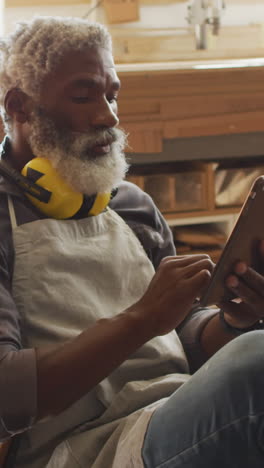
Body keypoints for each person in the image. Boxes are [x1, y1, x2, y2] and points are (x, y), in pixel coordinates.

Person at [0, 15, 263, 468]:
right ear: (20, 107)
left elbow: (182, 337)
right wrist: (143, 318)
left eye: (112, 94)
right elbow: (6, 395)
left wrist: (233, 323)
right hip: (80, 451)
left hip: (171, 411)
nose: (108, 115)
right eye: (84, 95)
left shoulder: (130, 205)